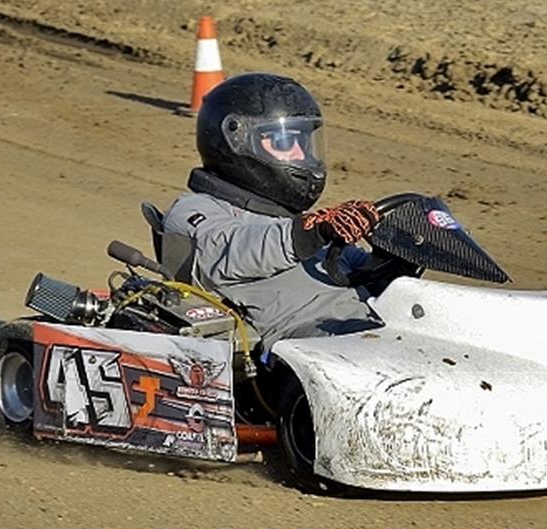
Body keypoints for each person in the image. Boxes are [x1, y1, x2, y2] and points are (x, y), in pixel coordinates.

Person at [161, 72, 384, 347]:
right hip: (302, 346)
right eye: (283, 142)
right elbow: (231, 252)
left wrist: (396, 254)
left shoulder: (285, 218)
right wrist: (311, 231)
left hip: (372, 329)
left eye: (302, 142)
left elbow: (359, 268)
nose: (300, 156)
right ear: (238, 140)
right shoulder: (195, 210)